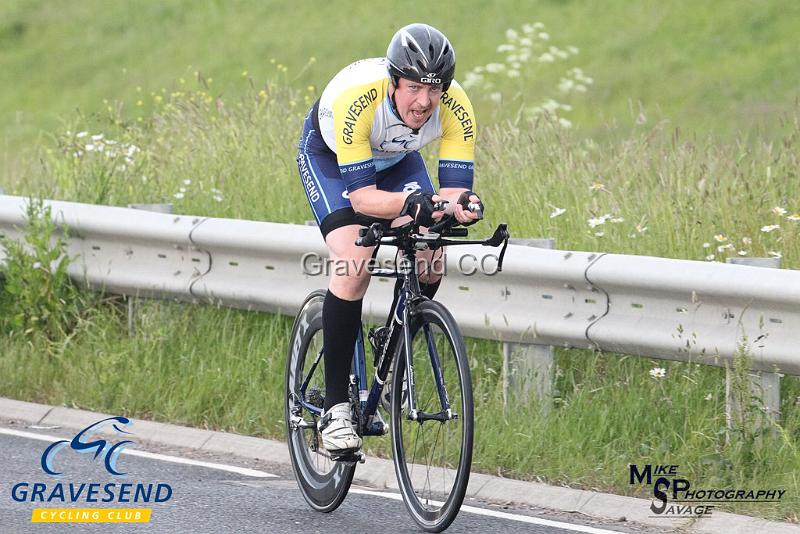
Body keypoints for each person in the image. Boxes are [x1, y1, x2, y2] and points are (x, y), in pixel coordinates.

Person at [296, 23, 483, 455]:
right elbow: (362, 198)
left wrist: (461, 205)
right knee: (353, 258)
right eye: (414, 88)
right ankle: (337, 410)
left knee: (432, 254)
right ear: (394, 81)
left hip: (397, 161)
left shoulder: (457, 108)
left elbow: (452, 193)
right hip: (331, 160)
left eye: (434, 90)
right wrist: (413, 205)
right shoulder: (358, 102)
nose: (424, 101)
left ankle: (394, 336)